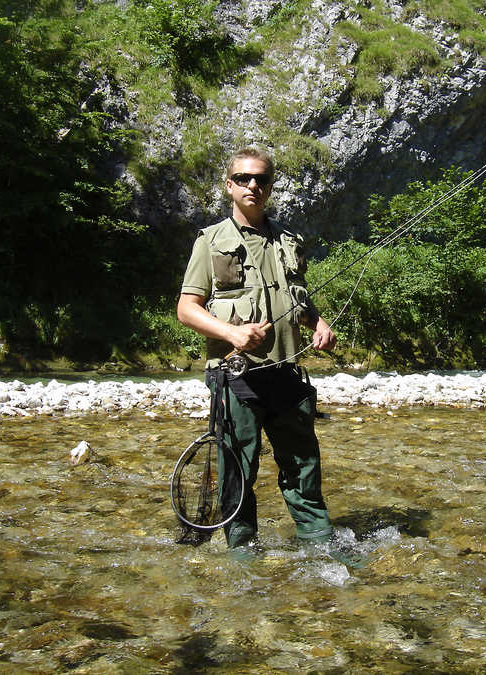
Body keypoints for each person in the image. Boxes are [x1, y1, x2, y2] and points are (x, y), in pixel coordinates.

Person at [177, 147, 337, 550]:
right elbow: (186, 309)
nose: (254, 185)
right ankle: (242, 553)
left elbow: (300, 302)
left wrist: (318, 323)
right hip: (236, 378)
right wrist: (231, 335)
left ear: (270, 186)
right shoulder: (211, 242)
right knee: (238, 469)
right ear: (229, 186)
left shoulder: (289, 241)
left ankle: (320, 546)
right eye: (244, 179)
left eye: (262, 179)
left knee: (303, 466)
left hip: (287, 374)